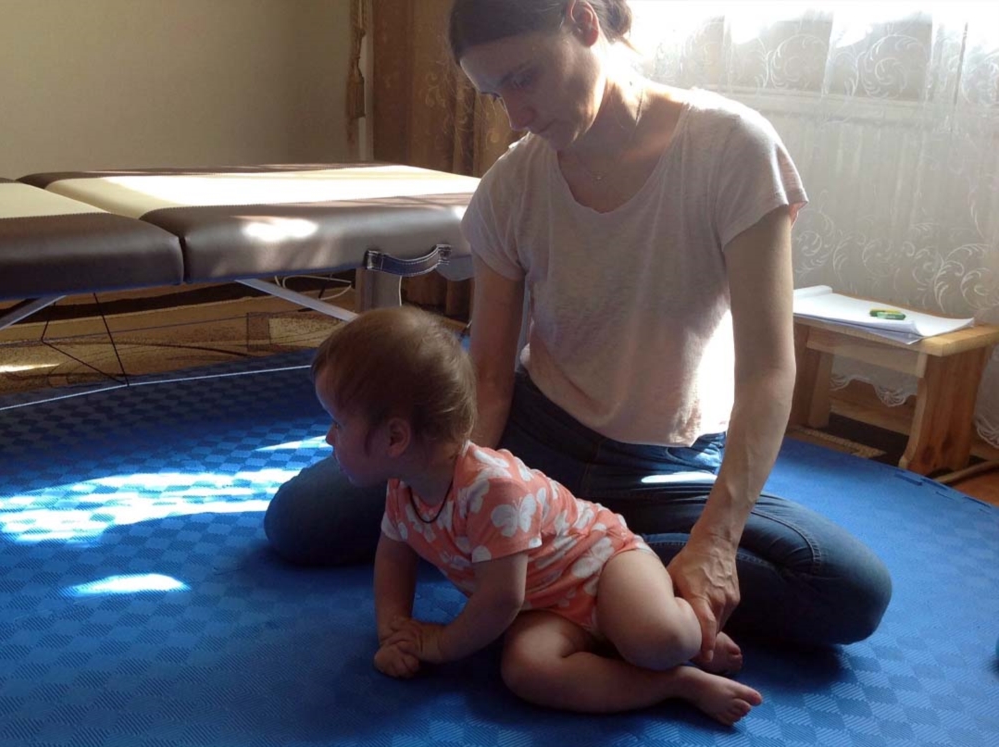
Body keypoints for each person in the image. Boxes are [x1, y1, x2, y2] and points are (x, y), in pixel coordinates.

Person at [264, 0, 892, 664]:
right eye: (495, 93)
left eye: (525, 77)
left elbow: (768, 371)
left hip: (666, 467)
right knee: (301, 521)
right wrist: (461, 497)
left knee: (851, 591)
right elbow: (489, 377)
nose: (517, 114)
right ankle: (595, 579)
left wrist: (716, 538)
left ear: (585, 22)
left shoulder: (733, 149)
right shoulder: (512, 184)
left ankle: (583, 569)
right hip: (537, 444)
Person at [313, 305, 764, 723]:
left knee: (661, 639)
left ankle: (692, 631)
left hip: (601, 564)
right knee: (527, 672)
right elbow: (394, 557)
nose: (330, 438)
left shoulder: (493, 489)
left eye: (338, 423)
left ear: (395, 438)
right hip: (540, 605)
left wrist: (440, 644)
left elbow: (499, 599)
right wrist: (395, 633)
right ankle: (675, 684)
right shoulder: (403, 486)